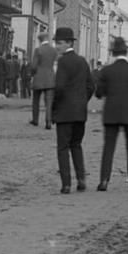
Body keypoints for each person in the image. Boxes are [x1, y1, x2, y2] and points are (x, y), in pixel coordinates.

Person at [95, 36, 128, 191]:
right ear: (126, 52)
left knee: (109, 147)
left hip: (111, 113)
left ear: (113, 53)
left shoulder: (106, 71)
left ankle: (104, 180)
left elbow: (99, 93)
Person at [52, 26, 94, 194]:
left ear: (69, 43)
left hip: (64, 112)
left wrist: (55, 107)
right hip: (80, 112)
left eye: (60, 43)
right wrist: (82, 101)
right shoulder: (82, 61)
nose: (57, 46)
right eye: (56, 42)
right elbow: (91, 86)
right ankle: (81, 180)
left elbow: (60, 87)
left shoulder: (63, 62)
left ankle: (66, 184)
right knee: (76, 145)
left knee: (62, 148)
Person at [30, 32, 58, 128]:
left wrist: (32, 74)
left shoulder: (38, 50)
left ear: (39, 40)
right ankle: (48, 122)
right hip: (50, 77)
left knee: (36, 100)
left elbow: (34, 66)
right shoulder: (53, 50)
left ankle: (35, 120)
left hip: (39, 77)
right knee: (49, 101)